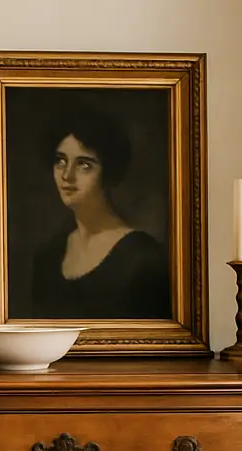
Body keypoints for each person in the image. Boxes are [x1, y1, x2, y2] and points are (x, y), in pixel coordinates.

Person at [30, 107, 171, 319]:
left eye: (84, 165)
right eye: (60, 161)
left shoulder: (142, 258)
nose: (67, 175)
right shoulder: (48, 258)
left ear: (109, 172)